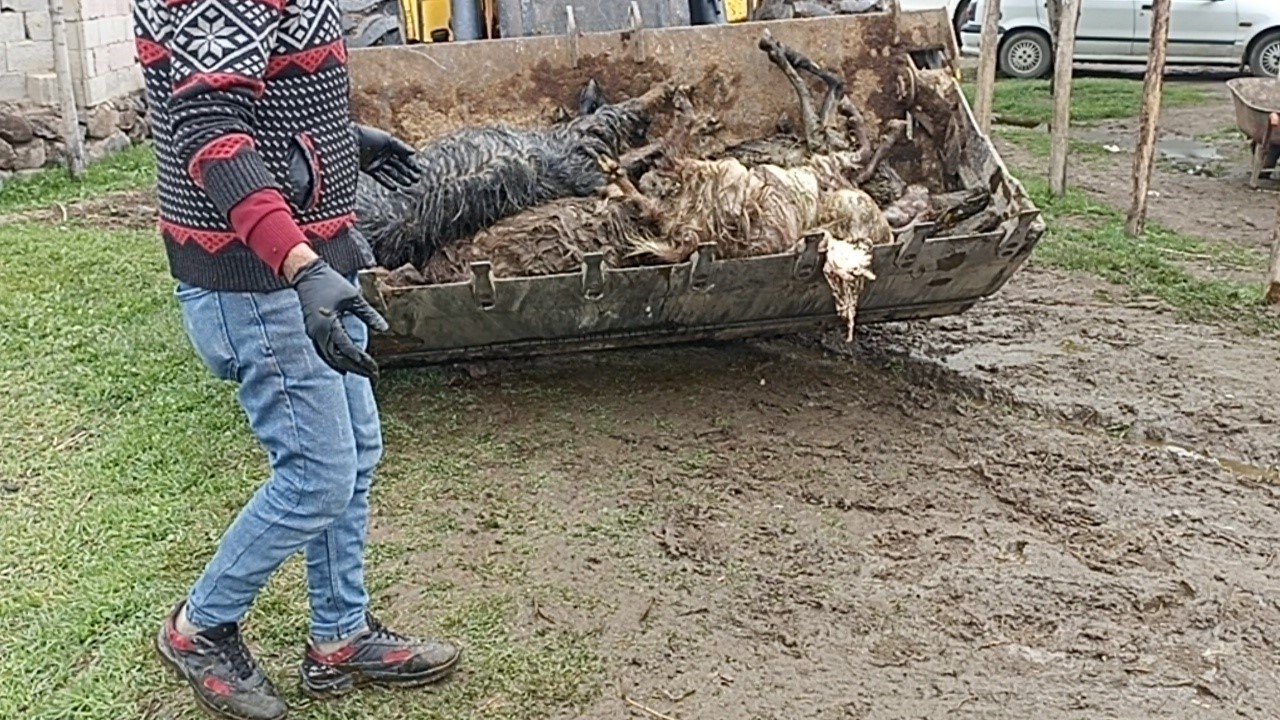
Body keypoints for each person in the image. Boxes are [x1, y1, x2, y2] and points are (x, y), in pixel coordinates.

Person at [133, 2, 459, 718]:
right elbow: (209, 132)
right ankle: (199, 630)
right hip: (261, 278)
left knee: (356, 453)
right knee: (316, 474)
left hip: (306, 260)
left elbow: (260, 93)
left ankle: (339, 635)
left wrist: (343, 144)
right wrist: (299, 264)